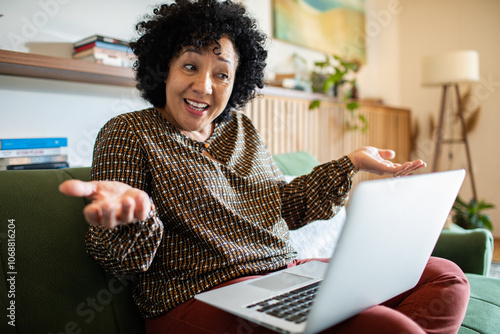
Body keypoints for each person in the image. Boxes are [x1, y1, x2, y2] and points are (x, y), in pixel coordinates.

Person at [59, 1, 469, 333]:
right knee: (389, 329)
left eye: (222, 74)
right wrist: (136, 215)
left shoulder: (241, 129)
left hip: (285, 274)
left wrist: (351, 164)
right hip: (198, 296)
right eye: (190, 66)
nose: (205, 86)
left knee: (445, 277)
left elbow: (284, 207)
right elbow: (119, 261)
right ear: (163, 67)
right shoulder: (129, 131)